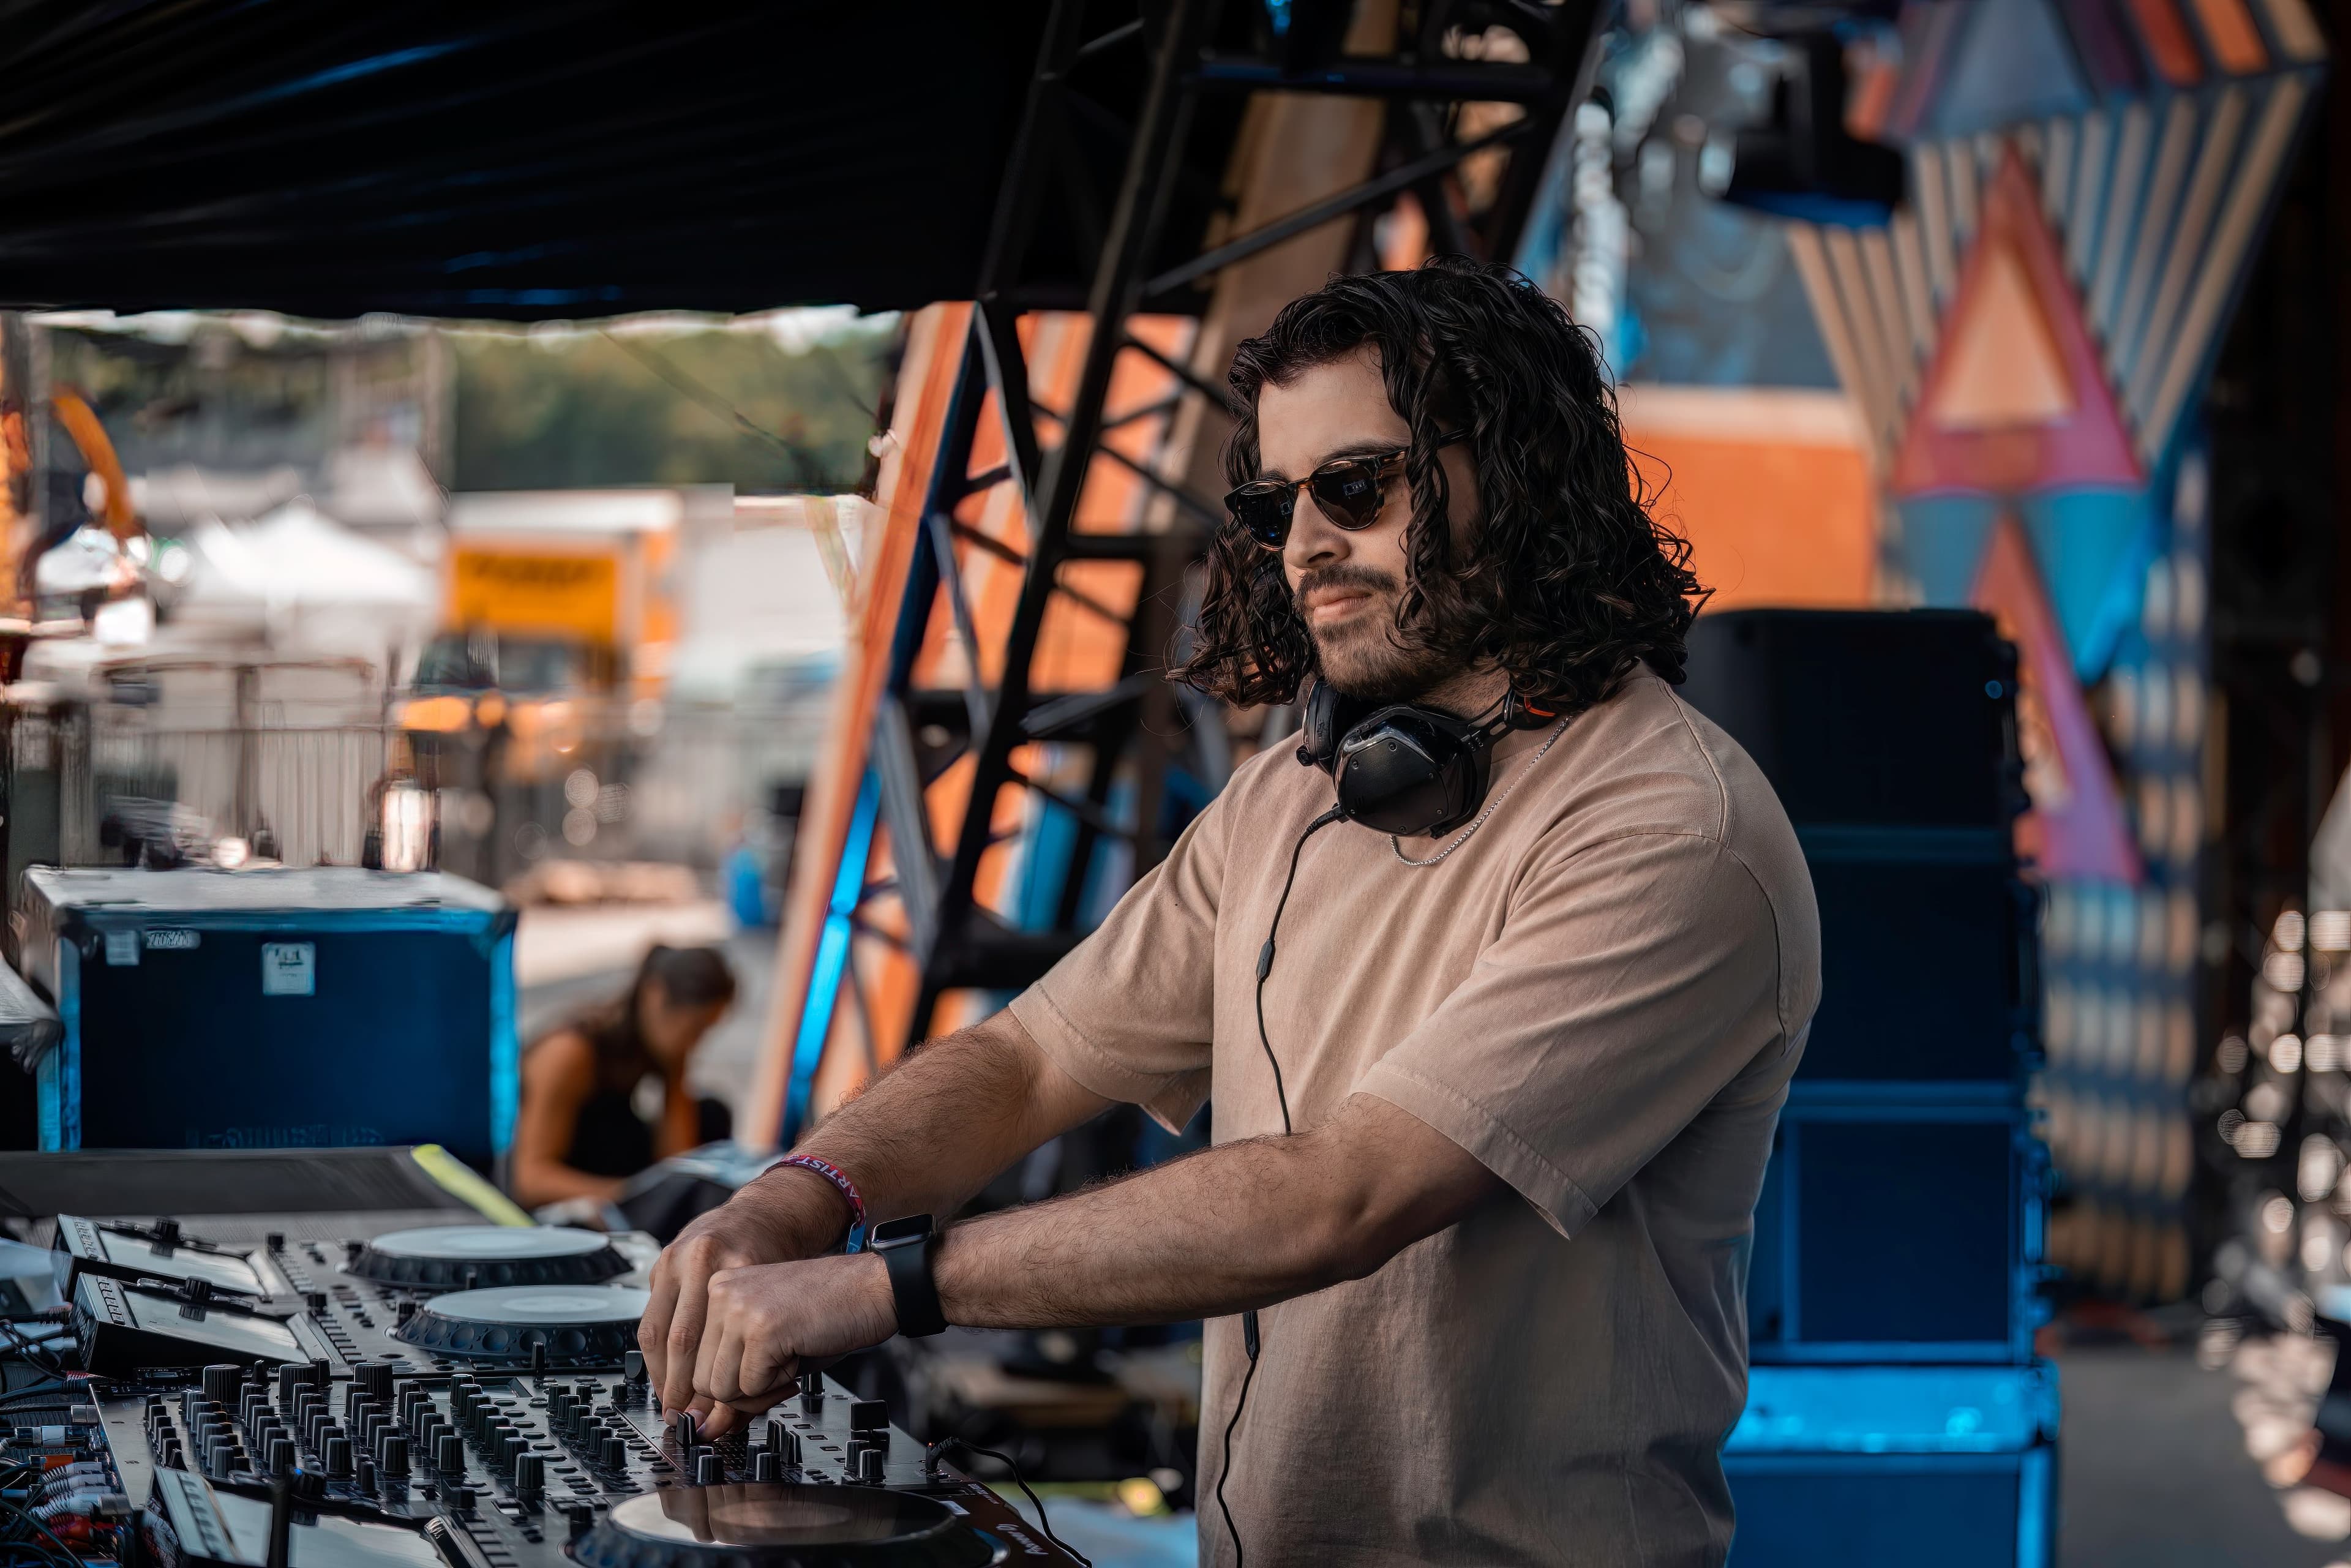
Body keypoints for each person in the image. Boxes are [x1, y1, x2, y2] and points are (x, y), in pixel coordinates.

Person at [641, 260, 1822, 1566]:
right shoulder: (1290, 797)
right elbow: (1031, 1056)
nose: (1306, 541)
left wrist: (884, 1282)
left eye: (1358, 486)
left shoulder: (1671, 827)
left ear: (1521, 471)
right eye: (1276, 502)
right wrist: (802, 1194)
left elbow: (1345, 1194)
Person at [508, 944, 737, 1208]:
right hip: (545, 1193)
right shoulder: (570, 1053)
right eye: (694, 1029)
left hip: (604, 1178)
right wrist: (631, 1196)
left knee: (711, 1114)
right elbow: (529, 1179)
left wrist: (676, 1074)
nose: (694, 1044)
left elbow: (677, 1165)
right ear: (655, 994)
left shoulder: (660, 1050)